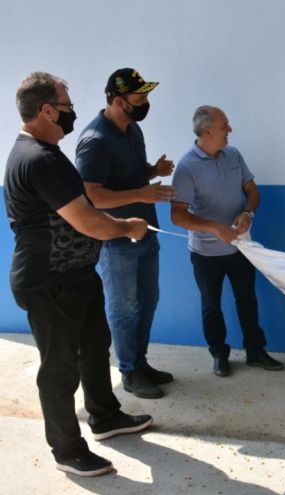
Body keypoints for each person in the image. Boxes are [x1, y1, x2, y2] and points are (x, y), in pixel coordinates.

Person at [5, 72, 154, 477]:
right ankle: (67, 450)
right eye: (67, 105)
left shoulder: (48, 153)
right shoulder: (38, 158)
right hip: (48, 282)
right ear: (48, 110)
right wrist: (127, 227)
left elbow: (80, 213)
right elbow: (87, 221)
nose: (73, 112)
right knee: (59, 369)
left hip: (76, 276)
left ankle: (105, 417)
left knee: (94, 347)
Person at [75, 68, 176, 399]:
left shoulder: (132, 130)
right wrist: (141, 195)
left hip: (145, 232)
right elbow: (93, 194)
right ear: (119, 101)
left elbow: (128, 174)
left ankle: (141, 363)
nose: (146, 102)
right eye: (140, 97)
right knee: (124, 307)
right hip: (116, 239)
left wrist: (152, 171)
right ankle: (130, 372)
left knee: (148, 301)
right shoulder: (95, 141)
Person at [171, 106, 283, 377]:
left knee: (247, 299)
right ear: (207, 131)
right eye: (225, 126)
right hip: (206, 253)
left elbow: (252, 191)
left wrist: (248, 212)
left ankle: (255, 351)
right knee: (212, 304)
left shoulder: (233, 155)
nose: (229, 130)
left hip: (240, 248)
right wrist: (213, 227)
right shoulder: (186, 167)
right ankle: (219, 354)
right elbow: (177, 216)